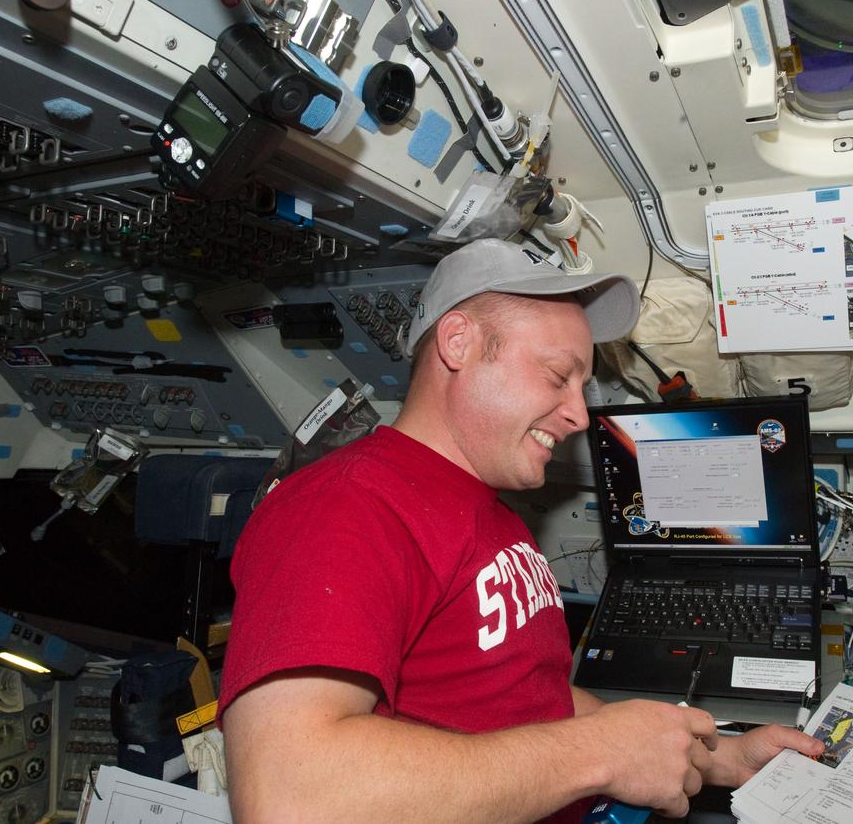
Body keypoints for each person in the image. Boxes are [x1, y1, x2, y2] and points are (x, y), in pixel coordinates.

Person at [218, 238, 822, 823]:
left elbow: (537, 700)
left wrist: (726, 758)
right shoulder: (347, 506)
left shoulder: (492, 514)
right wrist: (602, 753)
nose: (581, 415)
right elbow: (289, 800)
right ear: (458, 343)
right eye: (559, 375)